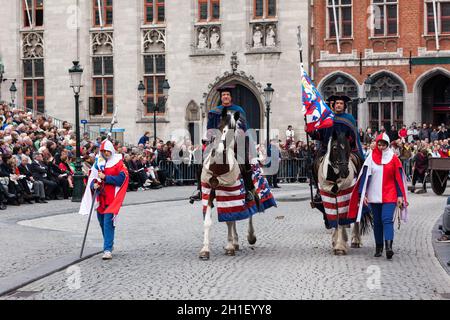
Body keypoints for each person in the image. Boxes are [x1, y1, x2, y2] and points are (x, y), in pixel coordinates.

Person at [349, 133, 408, 260]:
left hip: (390, 195)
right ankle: (379, 247)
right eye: (379, 144)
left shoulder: (393, 158)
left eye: (383, 144)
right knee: (377, 222)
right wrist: (362, 194)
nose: (381, 147)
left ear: (387, 145)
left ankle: (388, 247)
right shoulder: (370, 158)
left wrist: (400, 196)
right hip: (374, 195)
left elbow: (398, 179)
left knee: (387, 219)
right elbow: (364, 177)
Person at [79, 139, 129, 260]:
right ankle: (109, 244)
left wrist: (106, 177)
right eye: (103, 151)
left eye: (107, 151)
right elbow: (92, 178)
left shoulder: (119, 163)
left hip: (112, 198)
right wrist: (93, 185)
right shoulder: (98, 163)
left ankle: (107, 249)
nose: (105, 154)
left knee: (108, 223)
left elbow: (122, 179)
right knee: (102, 223)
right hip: (100, 198)